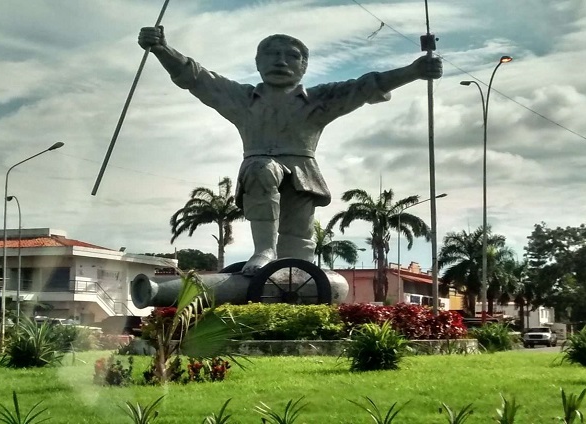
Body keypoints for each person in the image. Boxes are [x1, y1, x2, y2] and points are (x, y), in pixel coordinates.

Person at [138, 26, 443, 275]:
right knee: (261, 167)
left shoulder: (319, 100)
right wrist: (163, 50)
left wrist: (414, 70)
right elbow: (196, 77)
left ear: (303, 66)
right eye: (271, 55)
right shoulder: (242, 99)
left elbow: (365, 86)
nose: (280, 61)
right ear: (258, 62)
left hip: (303, 176)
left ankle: (296, 290)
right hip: (259, 168)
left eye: (291, 56)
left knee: (298, 253)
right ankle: (263, 251)